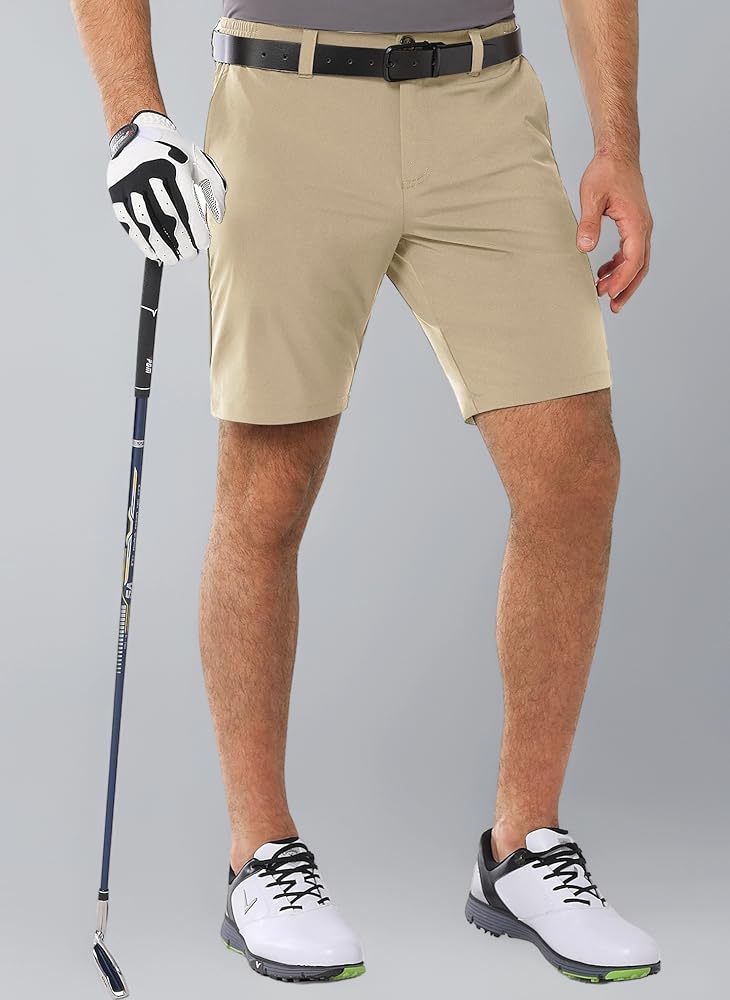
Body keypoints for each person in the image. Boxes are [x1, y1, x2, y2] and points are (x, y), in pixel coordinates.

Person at [72, 0, 659, 986]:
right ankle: (260, 856)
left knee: (575, 469)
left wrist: (618, 143)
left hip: (482, 104)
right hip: (284, 100)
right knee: (266, 491)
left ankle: (523, 850)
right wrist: (133, 115)